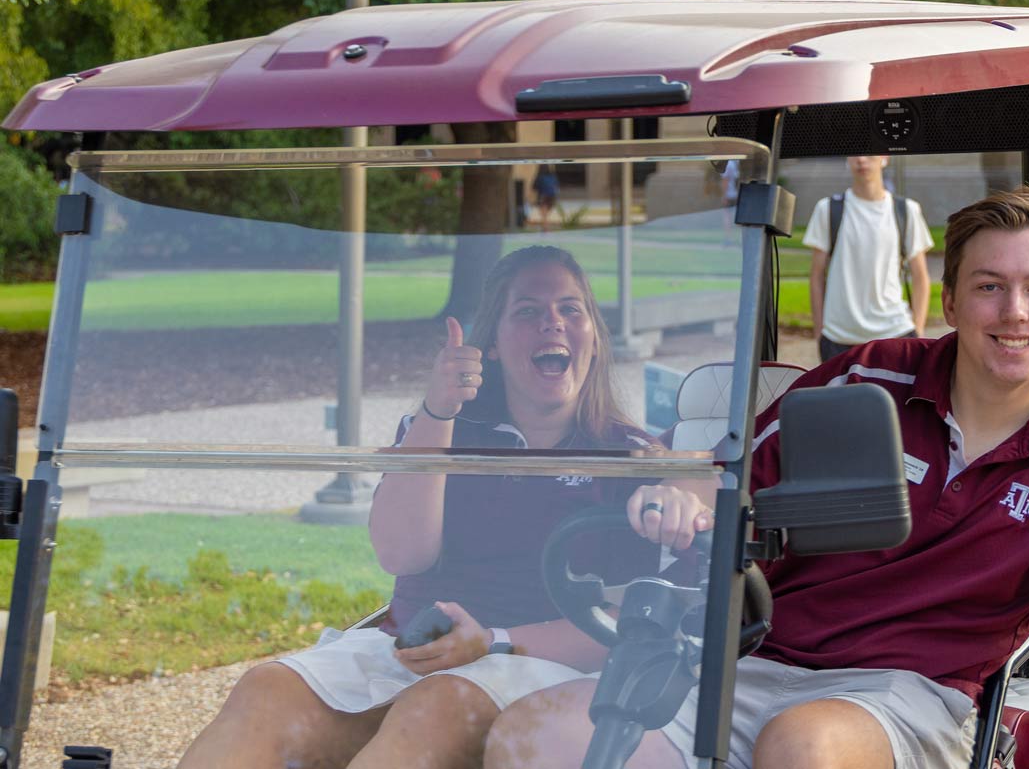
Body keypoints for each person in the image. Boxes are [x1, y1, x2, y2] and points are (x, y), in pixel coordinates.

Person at [483, 186, 1029, 769]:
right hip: (753, 660)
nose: (1014, 311)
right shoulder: (867, 379)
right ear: (948, 301)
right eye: (988, 286)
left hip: (908, 693)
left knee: (801, 746)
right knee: (535, 736)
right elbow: (732, 476)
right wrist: (680, 495)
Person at [178, 245, 709, 769]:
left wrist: (492, 643)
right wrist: (439, 411)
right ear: (493, 345)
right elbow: (402, 553)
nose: (553, 324)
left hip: (534, 662)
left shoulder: (632, 458)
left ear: (593, 336)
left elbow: (631, 628)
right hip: (412, 649)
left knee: (438, 706)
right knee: (269, 686)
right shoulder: (444, 429)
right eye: (528, 311)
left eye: (571, 309)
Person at [806, 155, 935, 361]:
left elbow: (921, 276)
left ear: (885, 157)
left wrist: (918, 329)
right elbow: (816, 276)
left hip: (895, 333)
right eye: (855, 153)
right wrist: (819, 331)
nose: (862, 160)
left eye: (870, 153)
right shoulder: (828, 209)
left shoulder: (906, 210)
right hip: (839, 338)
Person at [532, 164, 561, 231]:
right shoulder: (553, 176)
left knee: (543, 214)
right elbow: (557, 186)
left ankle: (545, 228)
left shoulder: (540, 177)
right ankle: (545, 226)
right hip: (552, 196)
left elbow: (534, 188)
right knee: (545, 214)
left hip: (543, 196)